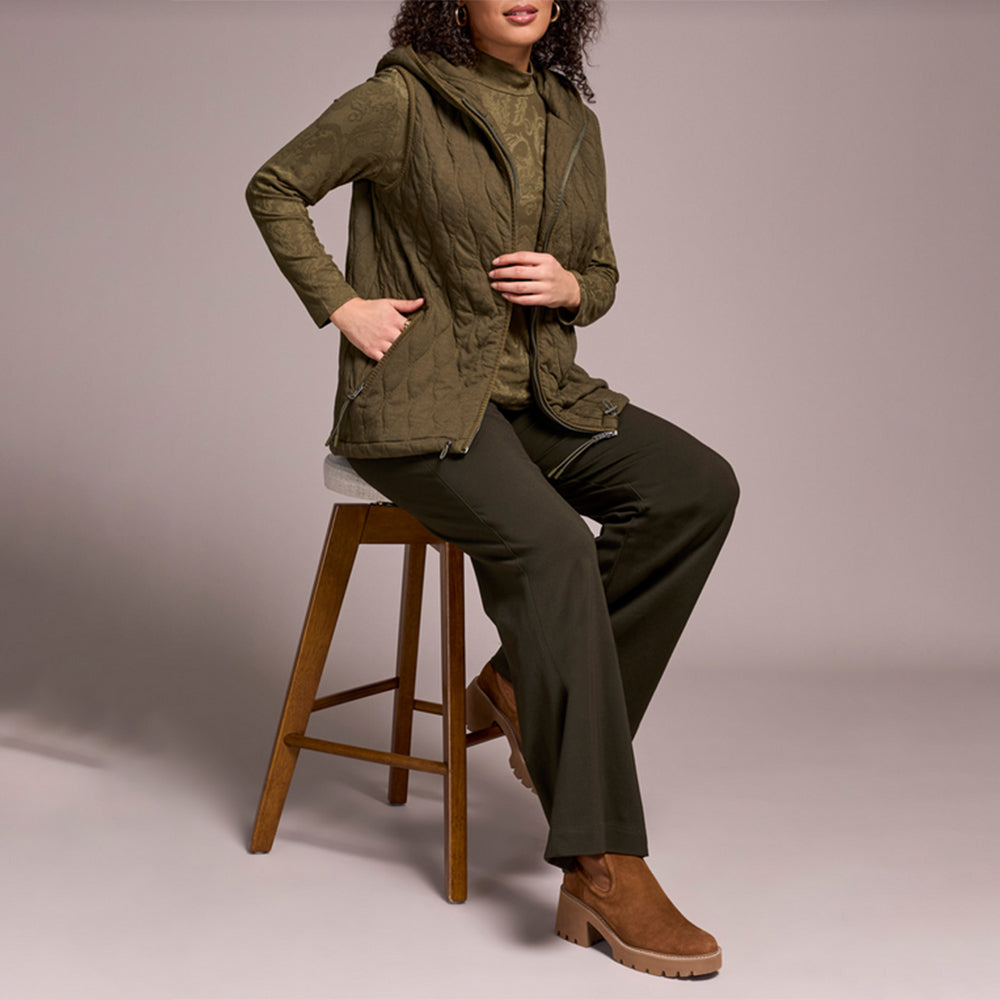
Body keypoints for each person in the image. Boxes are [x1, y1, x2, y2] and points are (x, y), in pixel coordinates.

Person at [247, 0, 738, 979]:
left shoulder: (569, 120)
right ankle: (601, 863)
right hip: (422, 410)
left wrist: (569, 287)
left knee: (696, 487)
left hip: (539, 400)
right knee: (552, 543)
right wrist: (342, 306)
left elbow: (596, 272)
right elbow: (276, 186)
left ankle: (517, 682)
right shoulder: (401, 101)